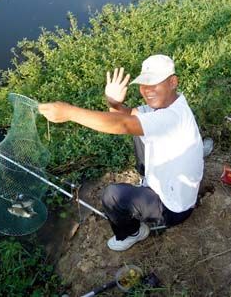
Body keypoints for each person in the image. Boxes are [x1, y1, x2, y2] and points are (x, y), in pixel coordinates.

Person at [38, 54, 204, 251]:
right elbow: (126, 116)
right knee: (138, 130)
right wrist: (114, 102)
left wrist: (70, 113)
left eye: (154, 84)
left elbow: (123, 124)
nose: (147, 91)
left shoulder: (173, 117)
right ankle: (146, 184)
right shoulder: (168, 105)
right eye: (144, 84)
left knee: (112, 196)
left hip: (174, 208)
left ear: (173, 82)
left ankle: (133, 232)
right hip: (172, 187)